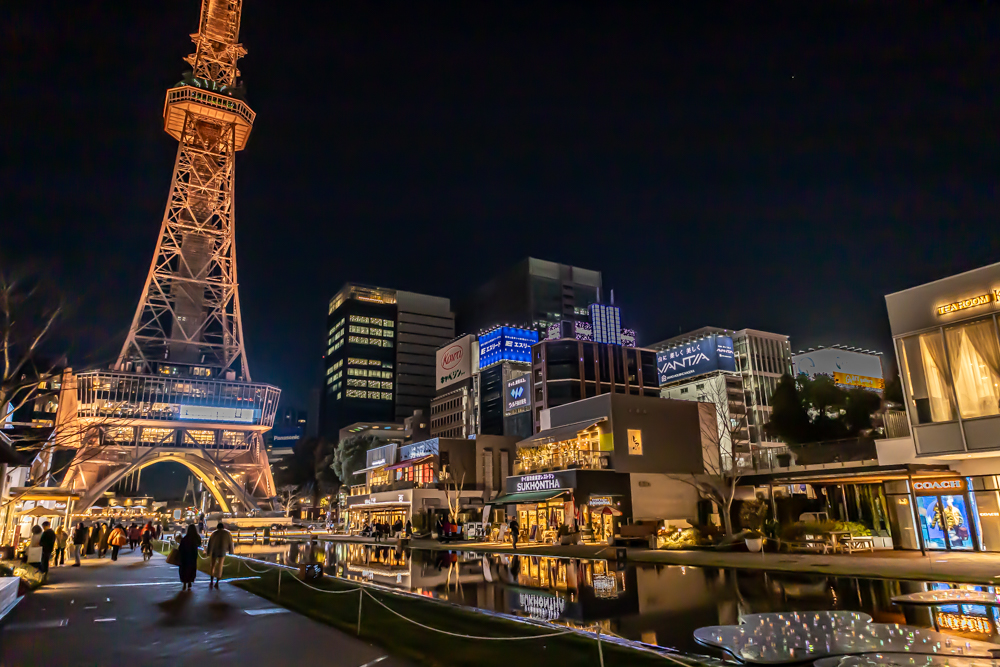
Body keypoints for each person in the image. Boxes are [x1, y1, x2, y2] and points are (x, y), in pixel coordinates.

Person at [206, 522, 234, 589]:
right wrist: (231, 552)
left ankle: (211, 580)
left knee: (212, 565)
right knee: (220, 566)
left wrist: (208, 552)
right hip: (222, 551)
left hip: (214, 551)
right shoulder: (228, 533)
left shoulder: (214, 533)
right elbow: (231, 543)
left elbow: (210, 543)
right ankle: (217, 581)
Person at [177, 524, 201, 591]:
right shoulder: (196, 538)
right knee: (192, 568)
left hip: (184, 556)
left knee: (184, 569)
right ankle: (190, 581)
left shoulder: (185, 538)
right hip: (193, 555)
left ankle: (184, 583)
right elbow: (199, 543)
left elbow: (180, 548)